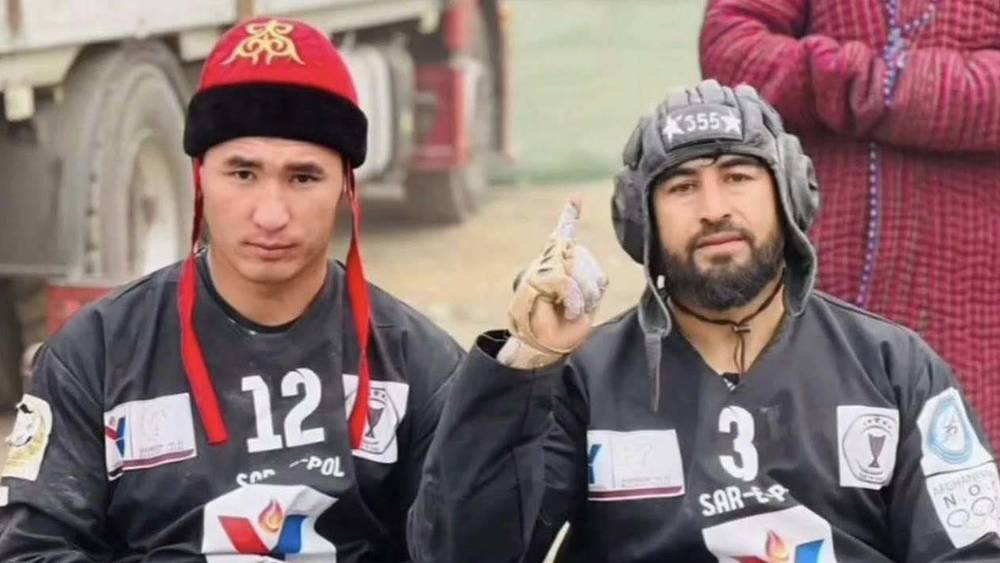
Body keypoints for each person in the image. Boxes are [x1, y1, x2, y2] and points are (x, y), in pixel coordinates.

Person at [408, 80, 1000, 562]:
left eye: (738, 177)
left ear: (789, 194)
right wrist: (524, 366)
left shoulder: (895, 369)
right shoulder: (583, 380)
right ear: (640, 220)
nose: (714, 209)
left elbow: (973, 549)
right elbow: (460, 551)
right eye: (683, 187)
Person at [0, 17, 463, 561]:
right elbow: (31, 548)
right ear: (199, 175)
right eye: (243, 174)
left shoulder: (416, 363)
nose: (270, 215)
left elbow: (474, 544)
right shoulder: (96, 353)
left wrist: (522, 372)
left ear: (346, 184)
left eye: (303, 177)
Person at [699, 0, 1000, 452]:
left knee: (963, 470)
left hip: (977, 304)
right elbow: (732, 52)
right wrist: (866, 84)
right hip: (811, 287)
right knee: (797, 466)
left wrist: (871, 89)